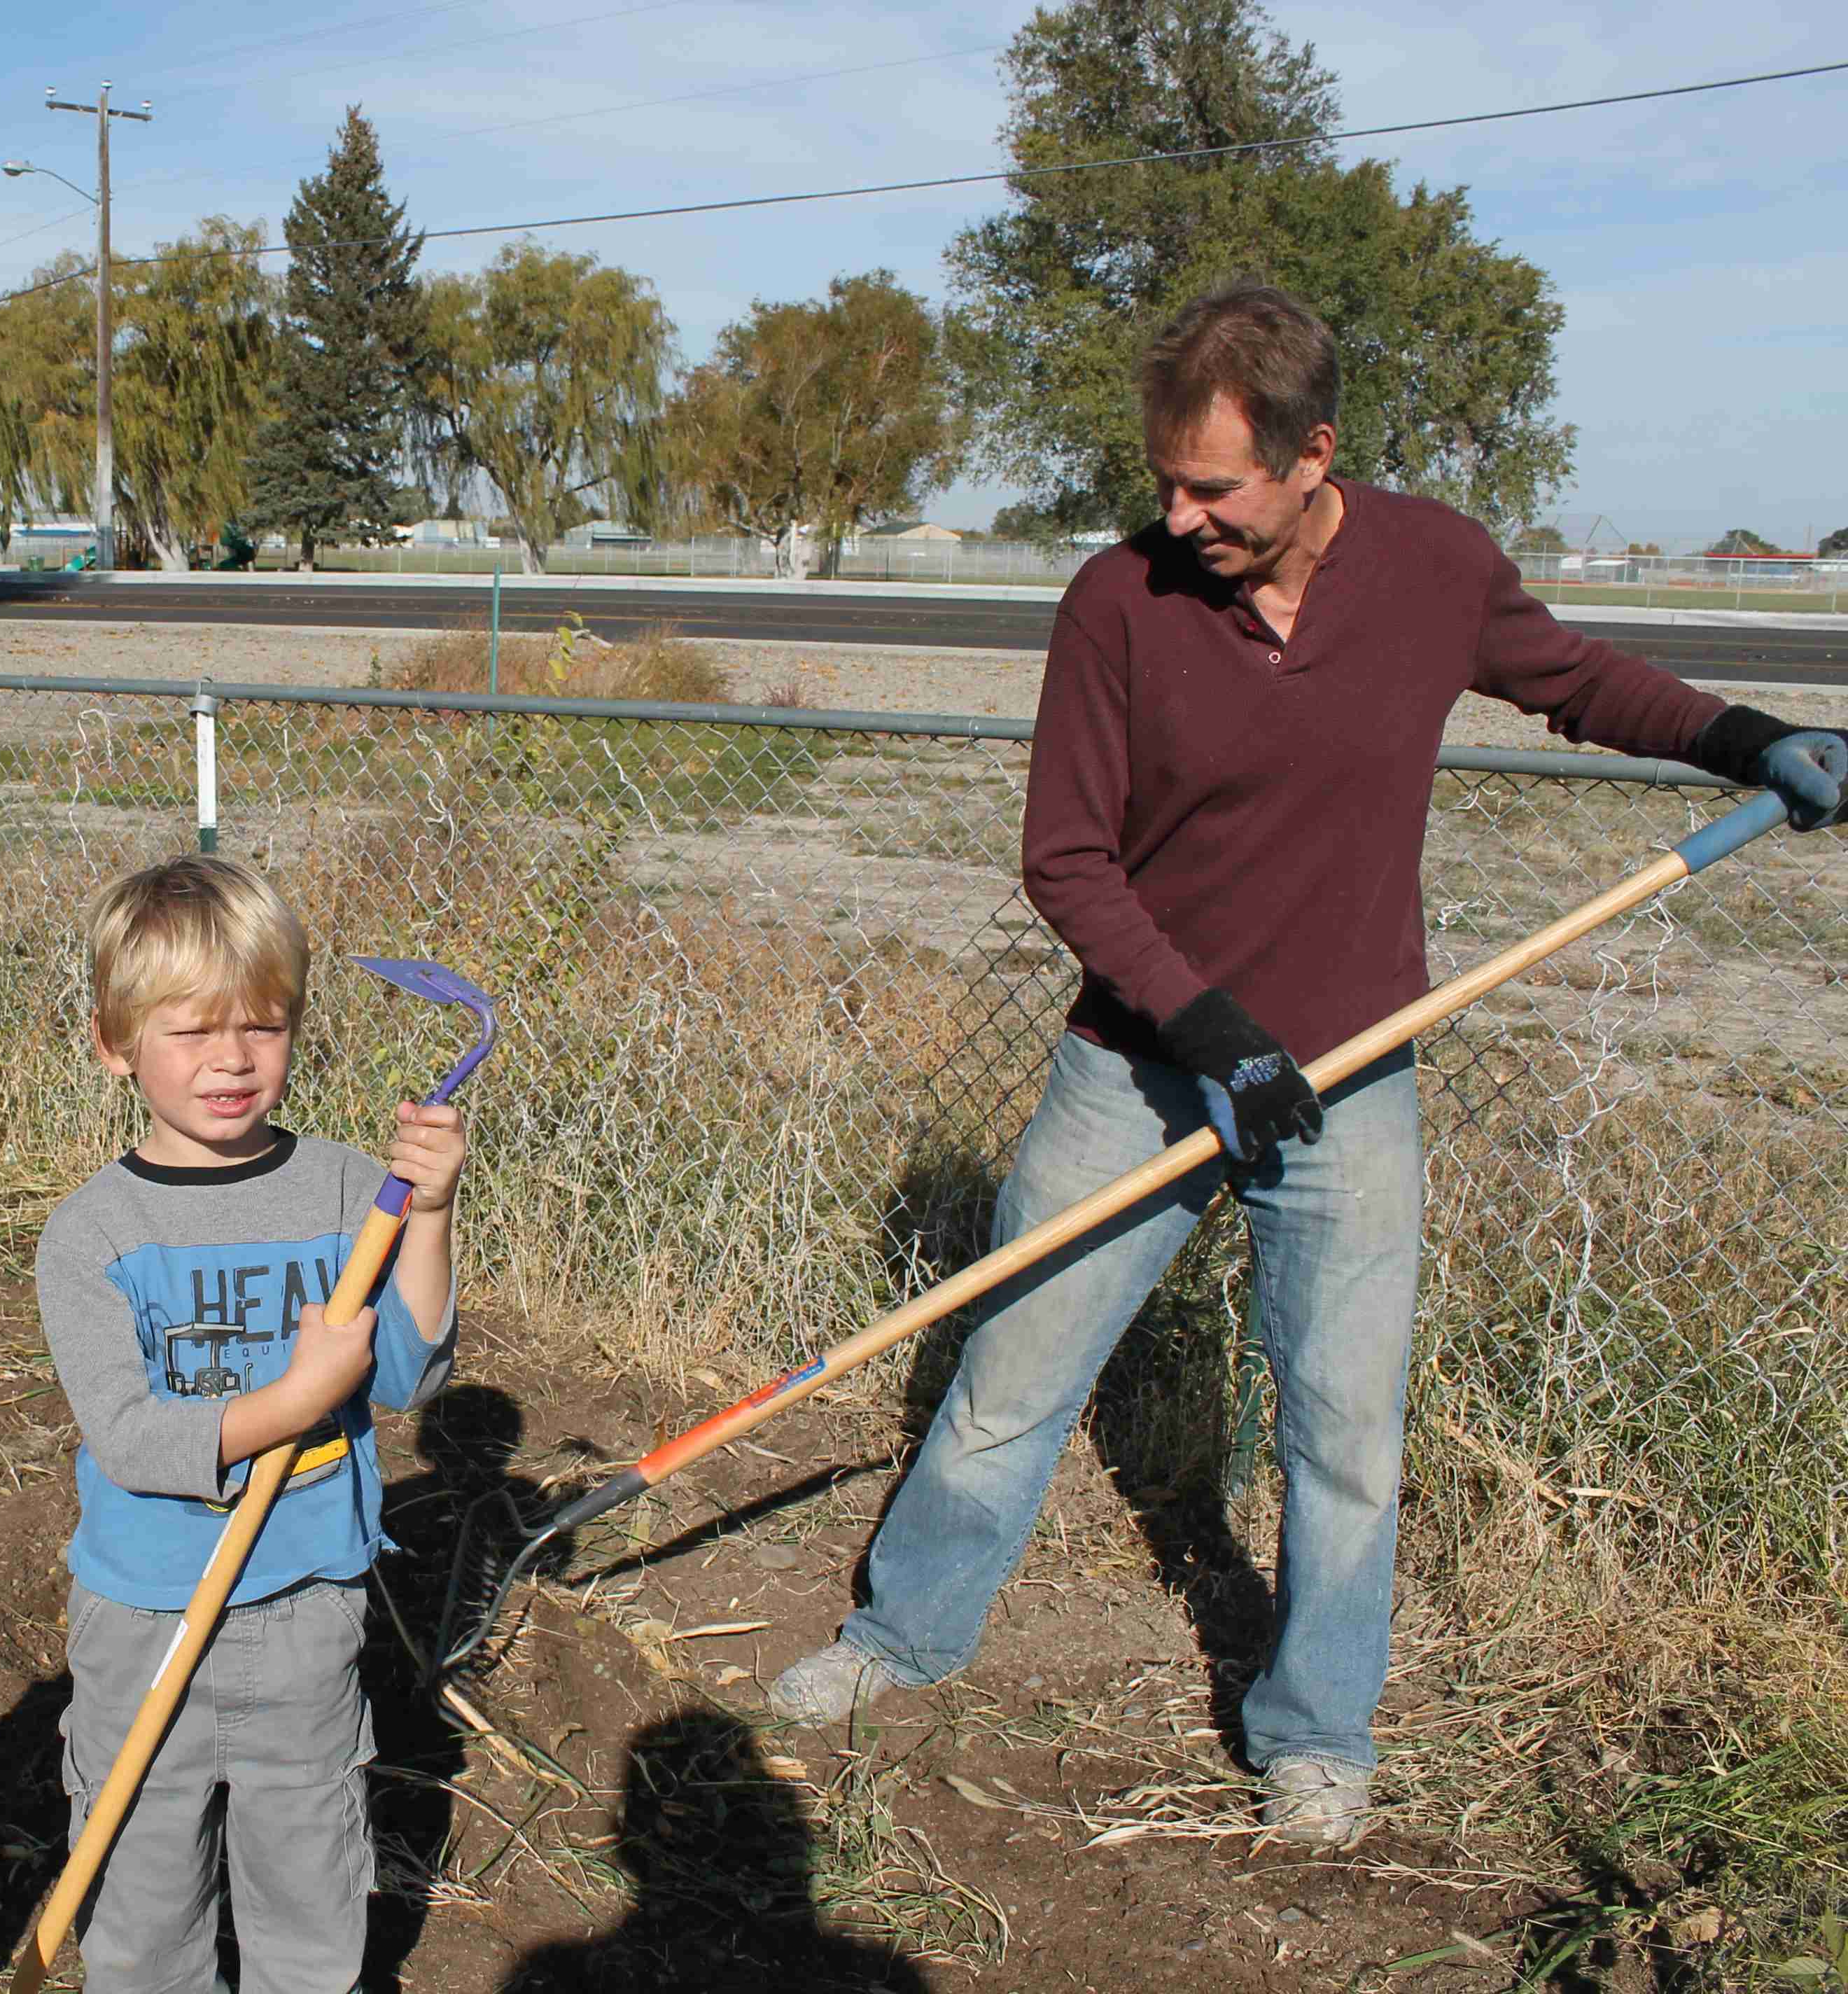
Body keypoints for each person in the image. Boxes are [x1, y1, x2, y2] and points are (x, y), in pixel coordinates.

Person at [767, 284, 1847, 1846]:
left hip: (1353, 1076)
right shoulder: (1119, 601)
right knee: (1011, 1375)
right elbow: (1068, 861)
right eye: (1164, 479)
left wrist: (1745, 735)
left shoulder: (1435, 566)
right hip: (1138, 1065)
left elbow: (1578, 679)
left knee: (1346, 1427)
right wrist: (1208, 1030)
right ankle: (900, 1636)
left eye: (1213, 485)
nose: (1178, 512)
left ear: (1312, 453)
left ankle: (1317, 1728)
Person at [38, 853, 469, 1994]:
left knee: (307, 1873)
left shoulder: (340, 1189)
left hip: (303, 1605)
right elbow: (132, 1438)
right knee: (139, 1890)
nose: (231, 1058)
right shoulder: (94, 1233)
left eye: (262, 1026)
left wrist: (427, 1213)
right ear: (112, 1040)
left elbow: (414, 1371)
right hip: (147, 1615)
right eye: (191, 1029)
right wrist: (289, 1399)